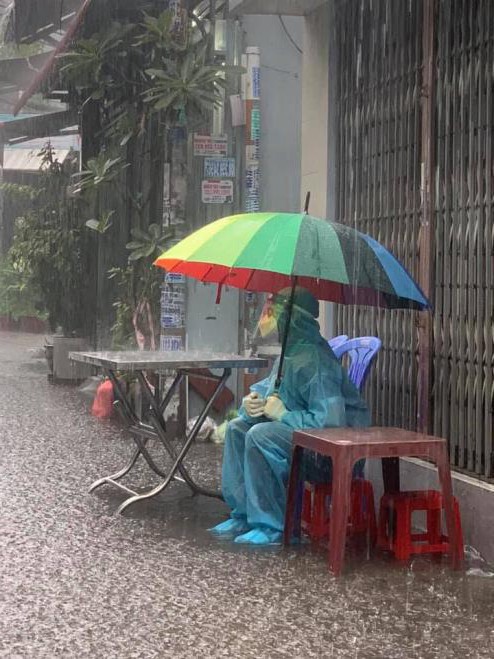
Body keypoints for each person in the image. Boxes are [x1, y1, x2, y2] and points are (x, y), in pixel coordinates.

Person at [209, 287, 370, 545]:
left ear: (293, 319)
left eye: (278, 313)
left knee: (261, 435)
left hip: (329, 455)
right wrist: (250, 403)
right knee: (239, 427)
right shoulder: (290, 354)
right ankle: (244, 514)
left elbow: (331, 424)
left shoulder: (314, 360)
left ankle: (272, 526)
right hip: (302, 441)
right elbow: (267, 391)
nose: (272, 320)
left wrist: (284, 414)